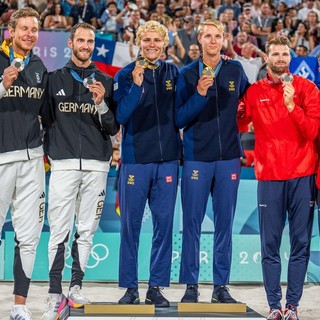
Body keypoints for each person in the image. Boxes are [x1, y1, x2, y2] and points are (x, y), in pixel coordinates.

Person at [41, 22, 119, 320]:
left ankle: (75, 287)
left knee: (86, 229)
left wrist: (100, 105)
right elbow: (46, 121)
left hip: (97, 165)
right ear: (70, 43)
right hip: (63, 165)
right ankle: (52, 292)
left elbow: (112, 127)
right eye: (81, 40)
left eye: (90, 41)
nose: (86, 45)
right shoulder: (53, 79)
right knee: (59, 230)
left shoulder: (105, 81)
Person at [239, 36, 320, 320]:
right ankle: (275, 306)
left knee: (300, 244)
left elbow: (311, 131)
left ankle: (293, 307)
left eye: (286, 54)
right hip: (270, 178)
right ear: (268, 58)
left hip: (302, 177)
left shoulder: (308, 89)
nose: (281, 58)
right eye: (276, 54)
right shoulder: (253, 92)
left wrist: (291, 106)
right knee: (269, 246)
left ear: (291, 57)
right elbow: (236, 122)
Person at [175, 19, 250, 303]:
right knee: (191, 224)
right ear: (199, 40)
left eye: (217, 35)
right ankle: (191, 285)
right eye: (207, 35)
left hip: (229, 158)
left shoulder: (235, 69)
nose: (213, 40)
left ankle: (221, 286)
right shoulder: (186, 74)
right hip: (196, 158)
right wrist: (200, 94)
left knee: (224, 225)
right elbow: (179, 118)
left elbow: (249, 101)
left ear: (224, 39)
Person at [113, 20, 181, 307]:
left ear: (164, 44)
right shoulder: (126, 75)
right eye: (147, 40)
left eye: (157, 40)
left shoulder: (173, 72)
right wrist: (137, 87)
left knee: (164, 226)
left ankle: (156, 287)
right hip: (135, 160)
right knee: (130, 227)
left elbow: (181, 114)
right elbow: (121, 116)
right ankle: (130, 288)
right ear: (139, 43)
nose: (152, 44)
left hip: (167, 162)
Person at [0, 7, 47, 320]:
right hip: (1, 158)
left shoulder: (40, 67)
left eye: (34, 29)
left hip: (32, 162)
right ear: (11, 31)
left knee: (29, 236)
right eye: (25, 29)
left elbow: (45, 113)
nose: (30, 34)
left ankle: (20, 305)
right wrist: (2, 84)